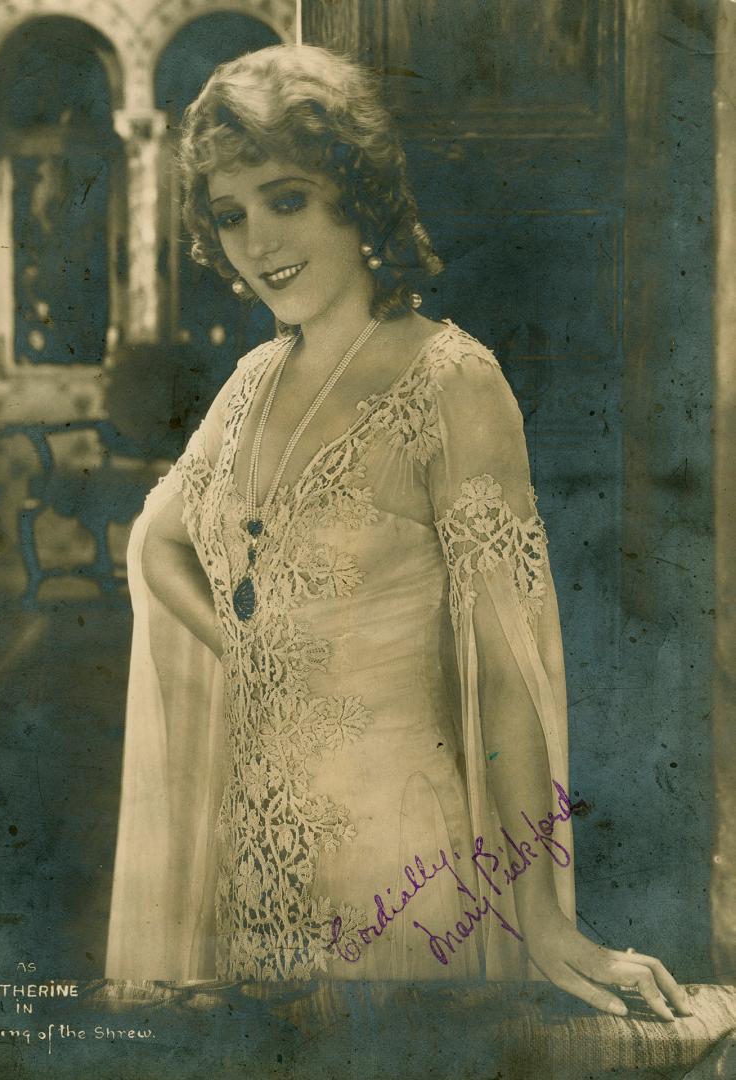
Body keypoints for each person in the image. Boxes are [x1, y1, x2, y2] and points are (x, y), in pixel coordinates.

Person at [105, 43, 691, 1022]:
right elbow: (156, 541)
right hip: (253, 864)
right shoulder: (251, 382)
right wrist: (246, 655)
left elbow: (507, 673)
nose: (257, 240)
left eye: (285, 197)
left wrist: (544, 920)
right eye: (230, 213)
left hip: (403, 866)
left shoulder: (450, 379)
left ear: (354, 191)